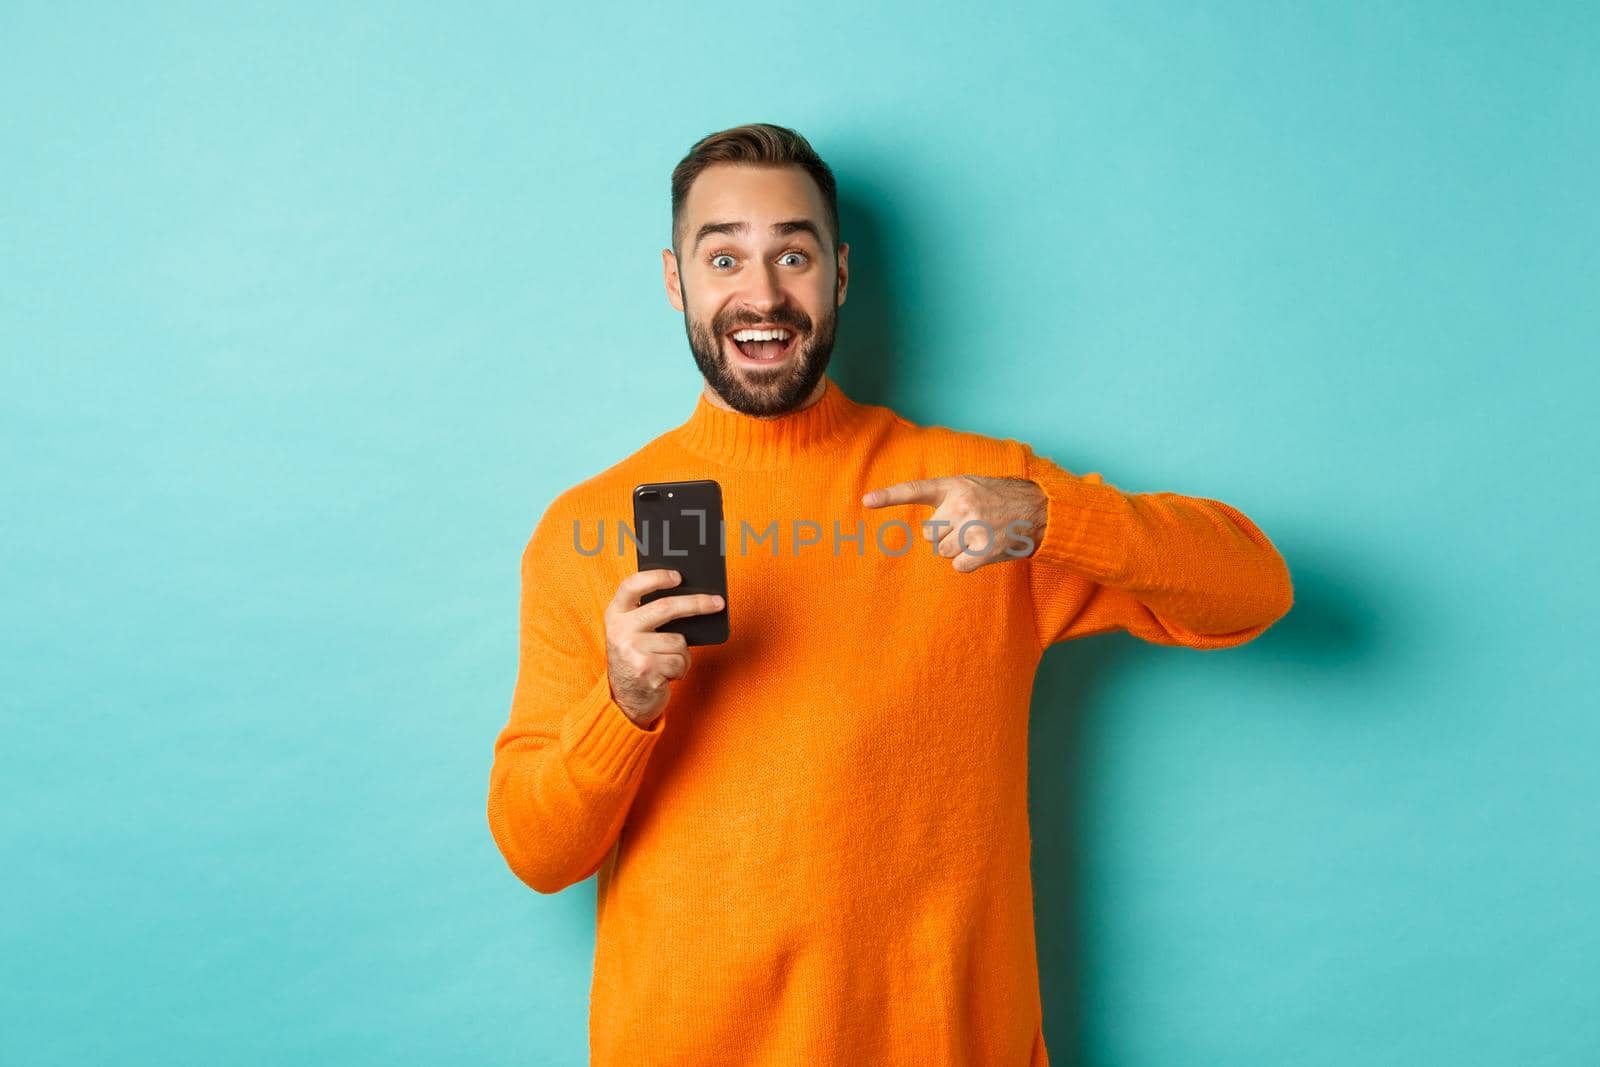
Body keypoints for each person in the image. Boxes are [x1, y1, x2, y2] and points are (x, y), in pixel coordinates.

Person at [486, 122, 1293, 1067]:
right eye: (724, 257)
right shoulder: (588, 529)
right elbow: (539, 854)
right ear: (676, 282)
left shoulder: (981, 497)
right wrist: (621, 704)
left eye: (793, 252)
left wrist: (1051, 517)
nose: (761, 293)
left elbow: (1254, 587)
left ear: (840, 274)